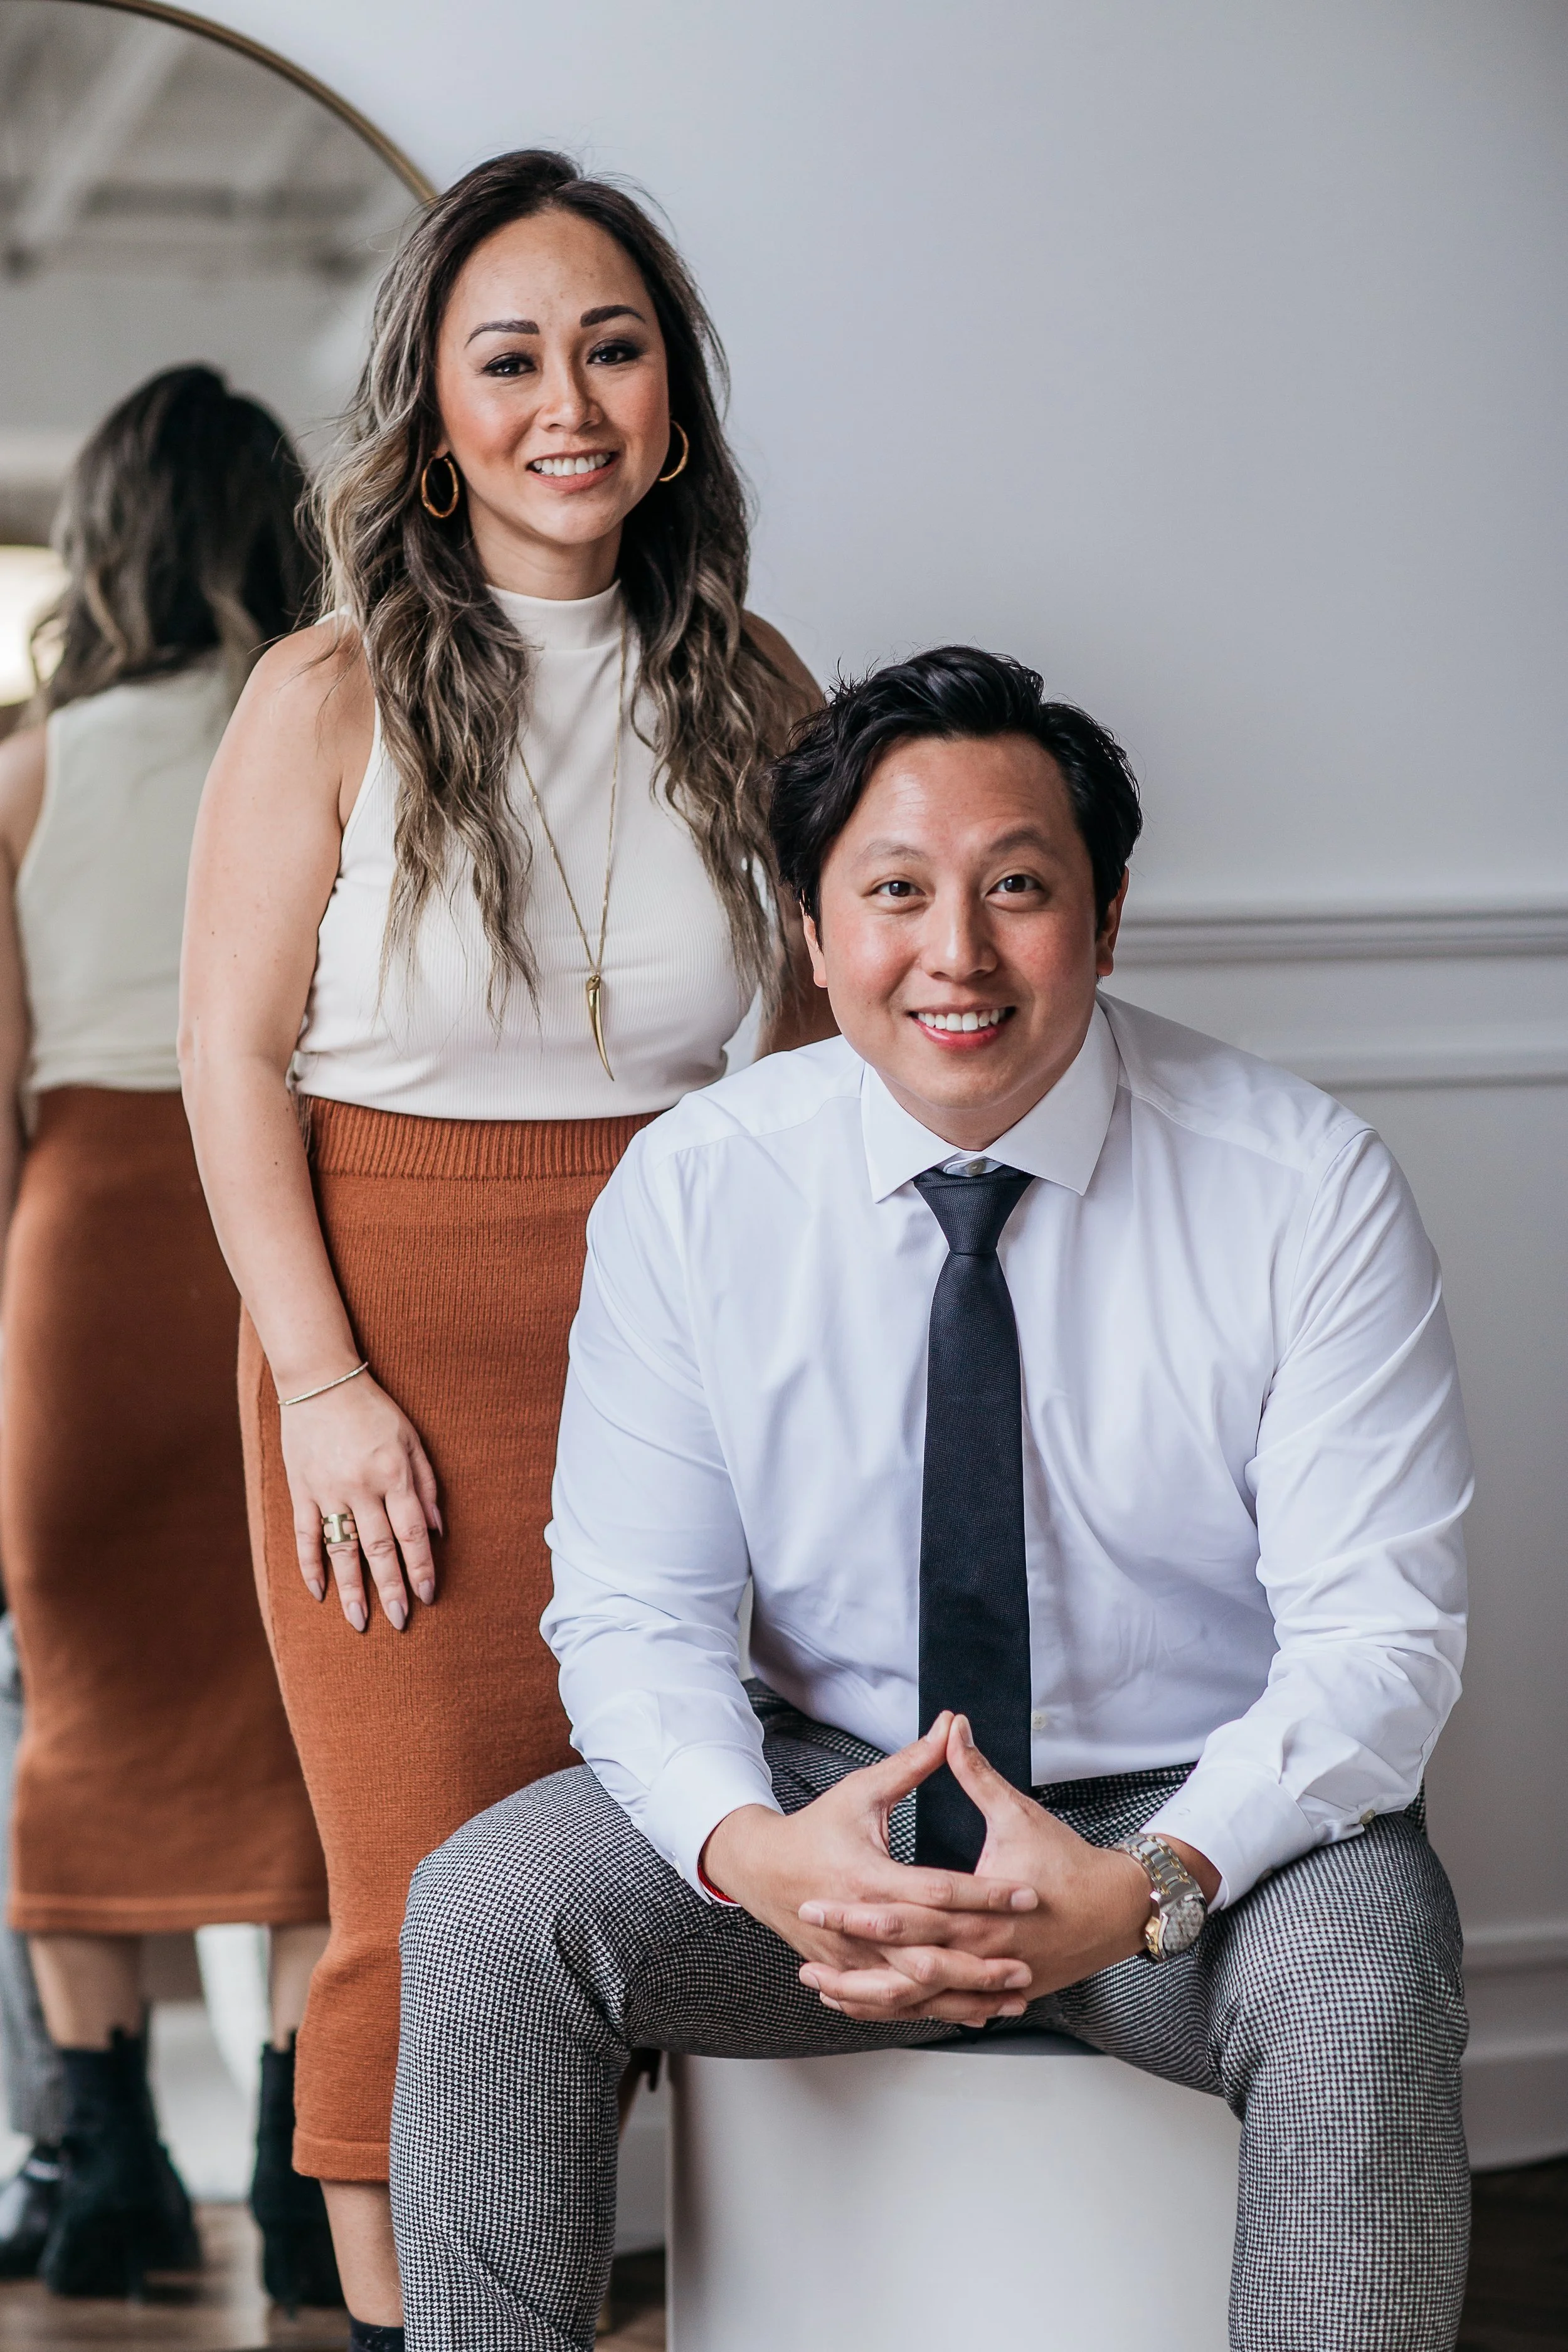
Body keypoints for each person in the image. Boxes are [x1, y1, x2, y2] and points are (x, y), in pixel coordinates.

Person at [392, 646, 1474, 2352]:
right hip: (833, 1801)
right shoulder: (697, 1188)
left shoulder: (1302, 1186)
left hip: (1181, 1830)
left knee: (1366, 1958)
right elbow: (636, 1612)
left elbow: (1378, 1641)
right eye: (894, 891)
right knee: (491, 1908)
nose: (955, 952)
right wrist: (758, 1851)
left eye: (1017, 888)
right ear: (812, 934)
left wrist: (1150, 1880)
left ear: (1105, 920)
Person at [179, 149, 825, 2348]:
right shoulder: (325, 691)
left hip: (678, 1343)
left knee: (665, 1851)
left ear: (675, 401)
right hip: (386, 1333)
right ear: (434, 415)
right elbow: (224, 1056)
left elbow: (812, 1063)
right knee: (420, 1884)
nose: (571, 402)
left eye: (614, 350)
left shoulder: (756, 684)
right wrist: (322, 1383)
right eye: (513, 357)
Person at [0, 366, 336, 2303]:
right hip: (280, 1240)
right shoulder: (335, 728)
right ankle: (299, 2168)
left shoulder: (28, 773)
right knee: (304, 1711)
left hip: (83, 1270)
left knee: (81, 1711)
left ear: (105, 540)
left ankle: (109, 2160)